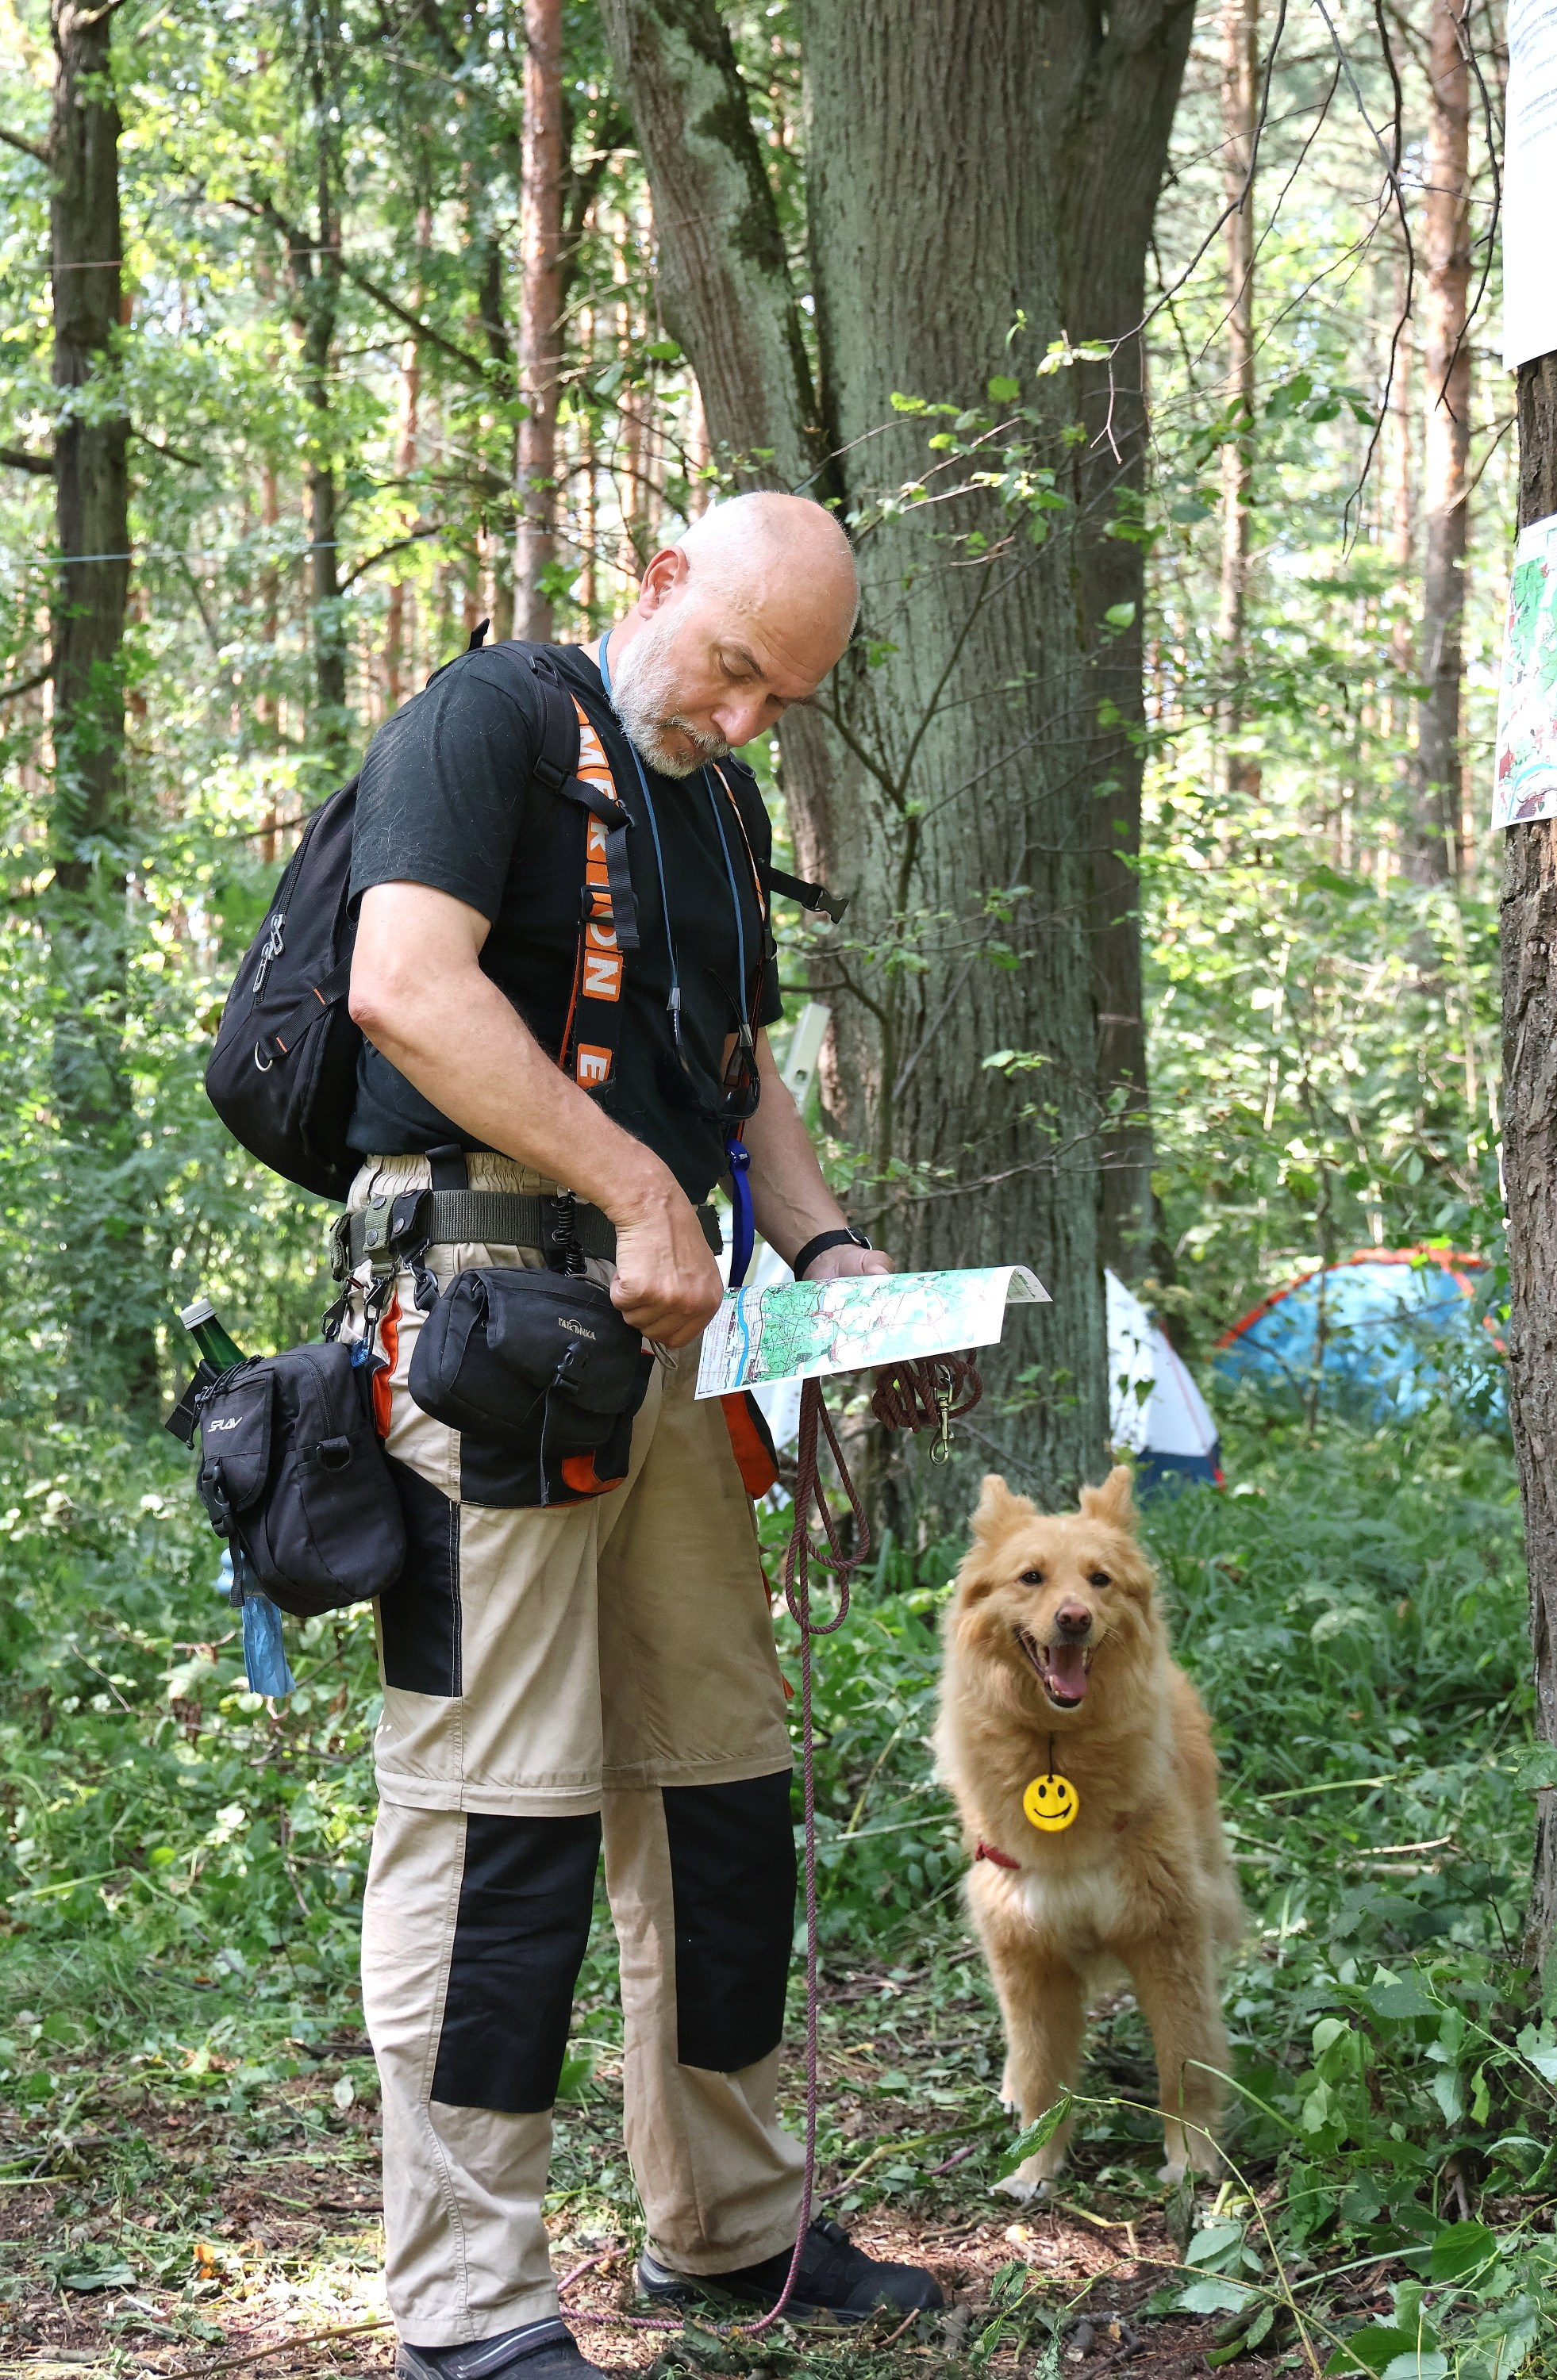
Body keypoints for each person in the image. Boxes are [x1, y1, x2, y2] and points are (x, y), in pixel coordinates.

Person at [344, 493, 944, 2380]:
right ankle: (471, 2310)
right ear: (660, 576)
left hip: (677, 1343)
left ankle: (731, 2229)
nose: (751, 717)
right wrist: (631, 1196)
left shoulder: (714, 803)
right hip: (492, 1334)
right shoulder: (489, 722)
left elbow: (738, 1078)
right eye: (735, 668)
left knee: (717, 1787)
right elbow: (403, 988)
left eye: (791, 696)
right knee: (496, 1813)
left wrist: (832, 1251)